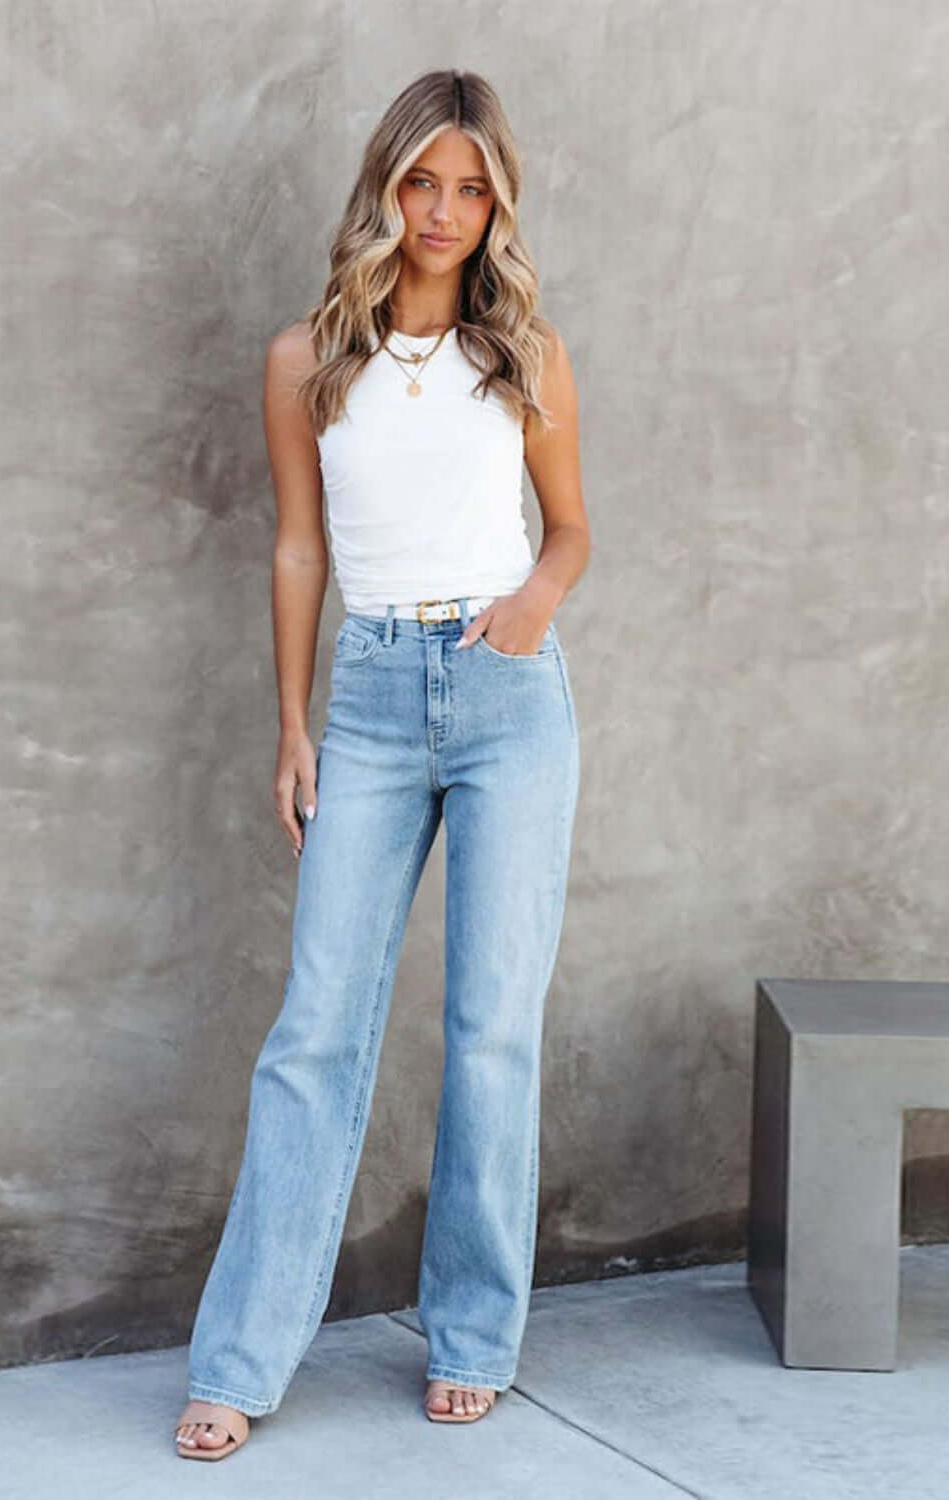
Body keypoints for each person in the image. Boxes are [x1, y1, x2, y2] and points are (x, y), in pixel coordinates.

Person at [174, 67, 590, 1462]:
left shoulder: (521, 352)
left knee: (487, 1029)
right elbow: (300, 548)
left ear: (496, 206)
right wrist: (291, 725)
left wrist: (531, 607)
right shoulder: (307, 359)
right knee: (315, 1032)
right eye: (424, 180)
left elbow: (572, 532)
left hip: (506, 696)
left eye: (472, 189)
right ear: (386, 184)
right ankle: (237, 1362)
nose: (445, 211)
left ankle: (473, 1335)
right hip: (362, 697)